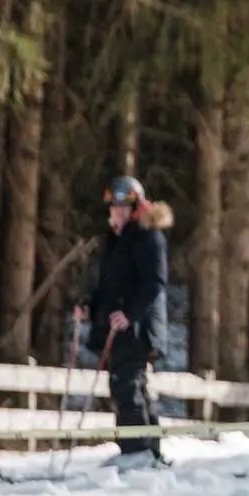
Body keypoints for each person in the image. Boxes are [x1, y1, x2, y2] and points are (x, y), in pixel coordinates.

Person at [78, 176, 172, 469]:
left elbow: (155, 282)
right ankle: (149, 451)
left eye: (122, 207)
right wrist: (89, 307)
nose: (116, 212)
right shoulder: (117, 239)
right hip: (120, 327)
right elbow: (109, 286)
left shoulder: (148, 236)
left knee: (126, 386)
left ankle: (136, 452)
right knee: (135, 387)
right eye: (113, 207)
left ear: (135, 206)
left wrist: (130, 315)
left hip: (137, 328)